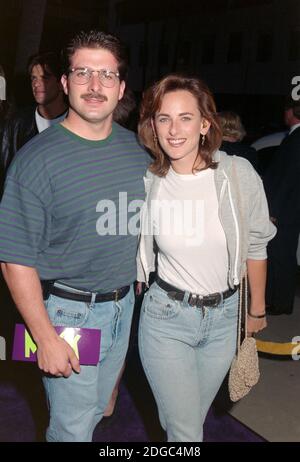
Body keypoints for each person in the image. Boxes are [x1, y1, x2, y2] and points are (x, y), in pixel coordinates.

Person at [0, 30, 148, 442]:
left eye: (106, 75)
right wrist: (43, 337)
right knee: (71, 429)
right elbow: (14, 260)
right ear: (65, 84)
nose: (95, 86)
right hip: (69, 314)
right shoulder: (36, 161)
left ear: (121, 88)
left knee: (102, 408)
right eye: (83, 73)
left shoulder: (138, 151)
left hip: (124, 306)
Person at [136, 74, 276, 442]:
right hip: (166, 318)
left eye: (186, 117)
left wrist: (256, 310)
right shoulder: (149, 180)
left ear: (205, 124)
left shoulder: (236, 174)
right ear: (153, 125)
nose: (174, 129)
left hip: (225, 321)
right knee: (187, 432)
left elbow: (257, 246)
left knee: (181, 421)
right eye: (164, 118)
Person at [1, 52, 68, 174]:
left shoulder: (78, 125)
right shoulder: (16, 124)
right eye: (33, 78)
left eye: (44, 77)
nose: (36, 84)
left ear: (61, 83)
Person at [263, 97, 300, 315]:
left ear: (290, 113)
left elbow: (287, 179)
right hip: (289, 210)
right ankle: (277, 300)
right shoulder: (293, 138)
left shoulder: (295, 140)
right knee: (280, 256)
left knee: (281, 257)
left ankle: (281, 303)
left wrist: (274, 212)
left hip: (285, 212)